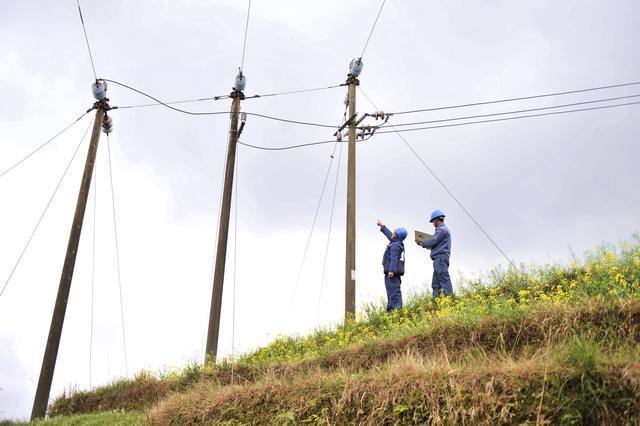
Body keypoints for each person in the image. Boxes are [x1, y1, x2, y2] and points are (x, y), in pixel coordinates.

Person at [416, 209, 453, 299]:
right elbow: (436, 243)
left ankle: (450, 299)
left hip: (440, 258)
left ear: (437, 220)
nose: (433, 223)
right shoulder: (443, 230)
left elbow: (434, 241)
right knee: (436, 283)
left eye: (433, 221)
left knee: (444, 279)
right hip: (438, 259)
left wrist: (422, 243)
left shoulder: (441, 230)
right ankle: (436, 302)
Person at [377, 219, 407, 311]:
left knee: (394, 292)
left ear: (397, 235)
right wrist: (383, 226)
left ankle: (396, 311)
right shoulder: (396, 242)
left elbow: (394, 259)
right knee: (390, 292)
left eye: (394, 232)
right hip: (391, 273)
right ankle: (391, 311)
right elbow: (389, 235)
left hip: (392, 273)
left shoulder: (395, 245)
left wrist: (391, 271)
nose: (392, 233)